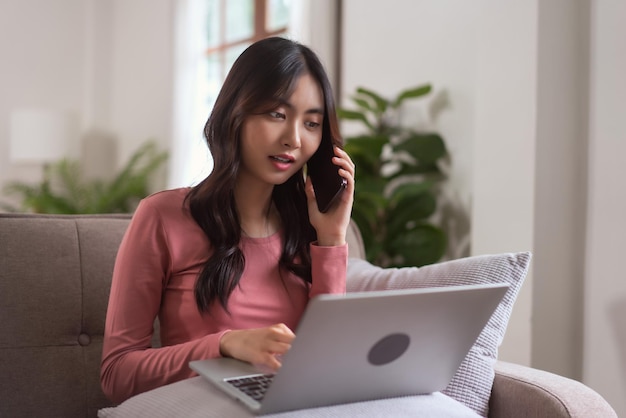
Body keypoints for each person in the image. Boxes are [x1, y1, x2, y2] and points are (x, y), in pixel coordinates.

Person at [100, 37, 355, 404]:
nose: (294, 139)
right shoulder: (163, 218)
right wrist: (223, 345)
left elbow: (327, 361)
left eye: (312, 123)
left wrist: (331, 240)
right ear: (236, 112)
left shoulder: (309, 229)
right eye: (277, 115)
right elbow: (117, 374)